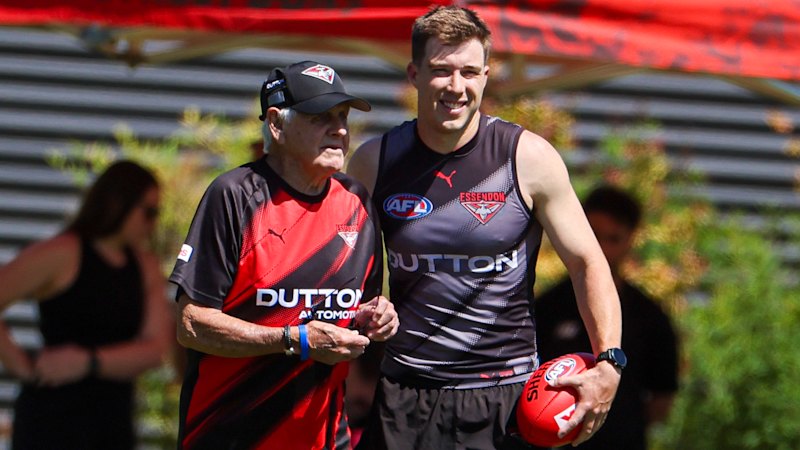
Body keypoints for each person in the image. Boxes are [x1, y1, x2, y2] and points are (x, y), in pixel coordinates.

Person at [347, 6, 623, 450]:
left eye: (469, 72)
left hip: (505, 399)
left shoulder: (527, 158)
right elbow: (341, 271)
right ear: (414, 74)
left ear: (486, 76)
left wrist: (609, 361)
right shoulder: (373, 162)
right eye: (441, 71)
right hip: (404, 396)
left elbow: (587, 262)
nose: (456, 87)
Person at [169, 60, 399, 450]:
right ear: (276, 124)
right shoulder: (234, 196)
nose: (339, 130)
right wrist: (295, 340)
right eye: (320, 117)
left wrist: (376, 315)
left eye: (342, 117)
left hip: (324, 439)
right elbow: (191, 324)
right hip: (228, 437)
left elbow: (357, 309)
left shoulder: (357, 202)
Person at [0, 160, 173, 449]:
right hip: (51, 421)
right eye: (149, 212)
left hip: (111, 422)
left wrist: (88, 362)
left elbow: (155, 350)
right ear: (118, 202)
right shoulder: (63, 252)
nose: (153, 224)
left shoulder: (145, 268)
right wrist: (19, 364)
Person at [535, 185, 679, 450]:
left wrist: (615, 419)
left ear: (631, 240)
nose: (600, 248)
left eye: (613, 238)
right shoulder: (545, 308)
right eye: (594, 235)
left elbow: (662, 398)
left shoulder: (650, 317)